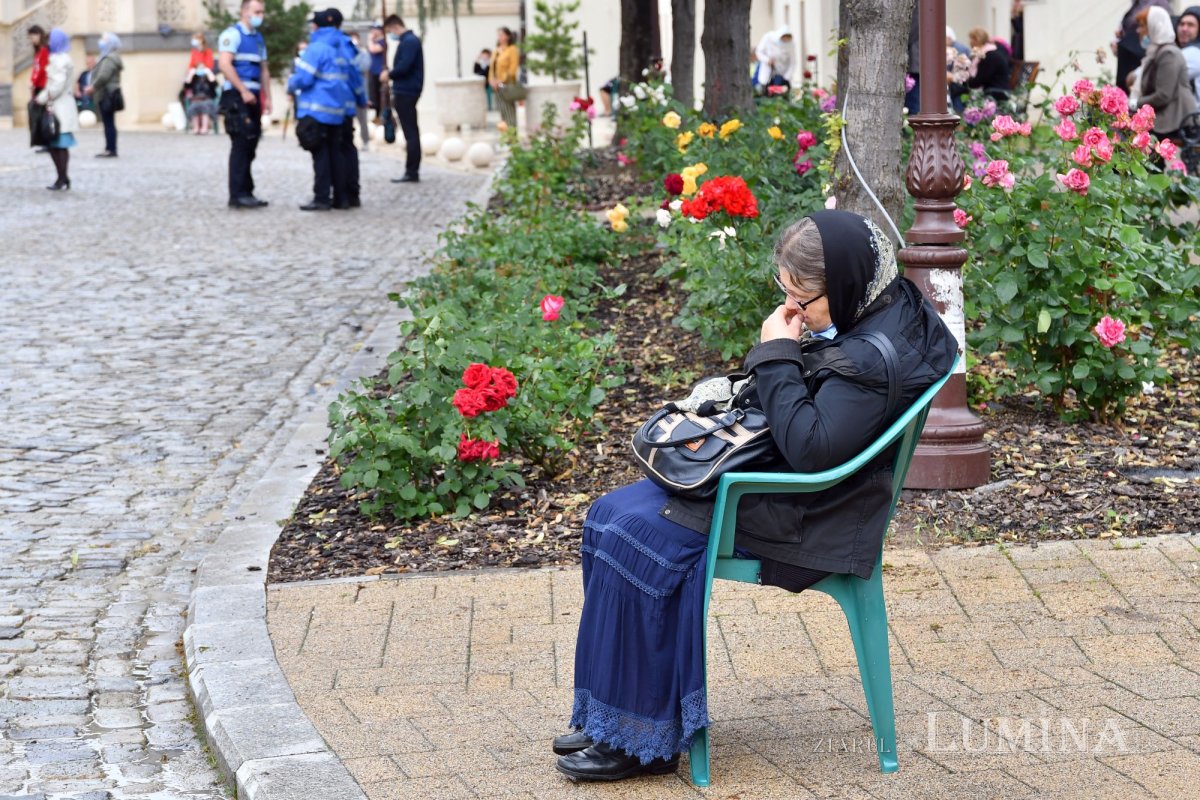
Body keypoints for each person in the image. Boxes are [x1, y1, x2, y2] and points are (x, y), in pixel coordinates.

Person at [551, 211, 957, 782]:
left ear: (843, 283)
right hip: (801, 486)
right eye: (784, 291)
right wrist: (789, 352)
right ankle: (615, 718)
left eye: (803, 297)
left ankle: (645, 740)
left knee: (634, 531)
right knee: (608, 514)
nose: (793, 309)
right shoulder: (885, 302)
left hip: (813, 510)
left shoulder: (869, 359)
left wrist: (778, 353)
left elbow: (811, 450)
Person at [288, 8, 353, 211]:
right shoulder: (341, 46)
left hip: (317, 111)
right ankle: (341, 198)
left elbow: (304, 79)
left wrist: (290, 84)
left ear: (317, 26)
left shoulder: (316, 48)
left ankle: (322, 198)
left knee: (321, 156)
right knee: (336, 155)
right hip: (337, 111)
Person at [218, 0, 272, 209]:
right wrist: (243, 90)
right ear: (244, 12)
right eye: (256, 11)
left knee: (251, 143)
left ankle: (247, 191)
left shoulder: (258, 39)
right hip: (237, 97)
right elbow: (224, 64)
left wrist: (267, 98)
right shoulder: (232, 35)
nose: (260, 15)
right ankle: (237, 194)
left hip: (254, 96)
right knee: (241, 144)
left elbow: (264, 70)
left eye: (262, 12)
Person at [1137, 6, 1197, 143]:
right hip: (1167, 115)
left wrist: (1135, 104)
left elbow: (1163, 95)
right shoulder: (1156, 51)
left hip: (1176, 120)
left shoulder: (1169, 53)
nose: (1139, 31)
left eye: (1142, 26)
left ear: (1154, 26)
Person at [37, 28, 80, 191]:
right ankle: (63, 177)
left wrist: (41, 98)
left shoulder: (59, 59)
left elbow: (57, 86)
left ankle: (61, 178)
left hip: (60, 107)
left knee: (58, 145)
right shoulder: (60, 58)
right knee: (55, 145)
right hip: (59, 105)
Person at [383, 14, 423, 184]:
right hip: (406, 90)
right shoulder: (409, 41)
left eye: (390, 31)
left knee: (410, 132)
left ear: (394, 26)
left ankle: (411, 171)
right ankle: (411, 170)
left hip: (406, 91)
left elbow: (404, 66)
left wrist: (389, 74)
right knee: (410, 131)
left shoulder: (409, 42)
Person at [338, 15, 368, 206]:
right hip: (347, 105)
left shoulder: (348, 48)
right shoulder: (348, 48)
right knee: (347, 148)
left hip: (341, 107)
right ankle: (350, 194)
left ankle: (345, 195)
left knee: (341, 149)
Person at [1114, 0, 1171, 93]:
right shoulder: (1137, 3)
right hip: (1129, 54)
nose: (1138, 30)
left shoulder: (1159, 3)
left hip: (1139, 54)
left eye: (1141, 27)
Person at [87, 33, 123, 158]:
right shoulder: (106, 57)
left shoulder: (110, 58)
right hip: (106, 93)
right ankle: (109, 147)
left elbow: (103, 76)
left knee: (109, 123)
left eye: (104, 40)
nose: (101, 41)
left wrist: (93, 87)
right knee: (108, 122)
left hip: (108, 94)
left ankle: (111, 149)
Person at [966, 27, 1012, 104]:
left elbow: (977, 82)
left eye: (972, 39)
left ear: (977, 40)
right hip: (991, 90)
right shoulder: (987, 52)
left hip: (995, 93)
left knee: (957, 91)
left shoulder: (989, 56)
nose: (970, 42)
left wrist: (961, 81)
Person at [488, 27, 519, 131]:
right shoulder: (496, 50)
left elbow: (513, 69)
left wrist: (502, 80)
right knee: (501, 110)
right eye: (498, 35)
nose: (500, 37)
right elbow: (492, 68)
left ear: (508, 36)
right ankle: (505, 134)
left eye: (502, 35)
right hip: (496, 86)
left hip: (507, 85)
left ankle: (512, 134)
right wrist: (492, 80)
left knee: (509, 110)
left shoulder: (512, 50)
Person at [753, 27, 795, 93]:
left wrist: (786, 77)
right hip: (768, 70)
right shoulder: (768, 37)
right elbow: (759, 52)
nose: (785, 40)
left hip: (782, 74)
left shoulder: (791, 44)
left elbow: (793, 62)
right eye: (784, 38)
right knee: (765, 91)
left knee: (780, 92)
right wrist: (767, 60)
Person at [348, 30, 372, 150]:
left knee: (362, 120)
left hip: (361, 91)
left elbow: (364, 67)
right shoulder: (345, 54)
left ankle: (365, 141)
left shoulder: (363, 54)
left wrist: (352, 65)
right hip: (348, 93)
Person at [185, 63, 219, 134]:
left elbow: (215, 84)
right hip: (196, 100)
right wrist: (191, 74)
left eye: (202, 68)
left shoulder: (208, 79)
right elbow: (186, 86)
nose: (201, 69)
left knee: (205, 106)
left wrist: (209, 73)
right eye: (199, 68)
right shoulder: (194, 79)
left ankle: (204, 128)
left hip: (207, 100)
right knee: (194, 107)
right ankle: (196, 127)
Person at [1176, 6, 1200, 106]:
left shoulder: (1194, 52)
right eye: (1181, 24)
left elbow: (1160, 74)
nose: (1184, 29)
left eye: (1190, 25)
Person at [366, 24, 386, 123]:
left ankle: (381, 116)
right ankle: (376, 115)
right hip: (372, 71)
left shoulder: (383, 41)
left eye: (375, 29)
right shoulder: (375, 41)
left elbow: (373, 49)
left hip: (379, 72)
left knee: (380, 95)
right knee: (373, 95)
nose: (373, 31)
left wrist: (370, 39)